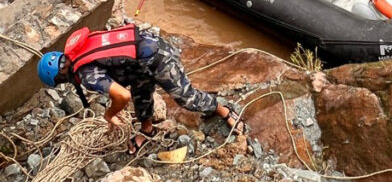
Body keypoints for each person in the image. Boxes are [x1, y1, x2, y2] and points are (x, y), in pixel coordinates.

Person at [37, 24, 245, 155]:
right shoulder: (77, 50)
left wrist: (109, 115)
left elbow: (122, 95)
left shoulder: (86, 75)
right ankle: (147, 129)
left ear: (60, 79)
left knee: (185, 98)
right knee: (141, 94)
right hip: (140, 60)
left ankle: (222, 109)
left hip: (157, 57)